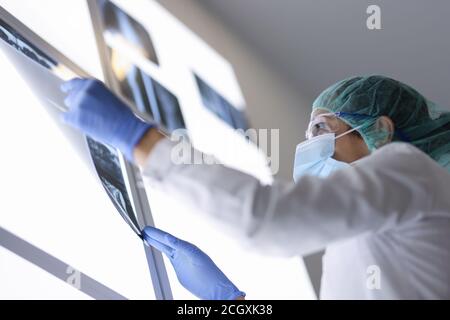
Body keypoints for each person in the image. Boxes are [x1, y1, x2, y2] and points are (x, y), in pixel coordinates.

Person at [60, 75, 450, 299]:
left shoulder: (410, 170)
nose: (308, 144)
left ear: (380, 130)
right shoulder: (368, 237)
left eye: (320, 128)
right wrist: (231, 303)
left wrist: (138, 139)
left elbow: (267, 221)